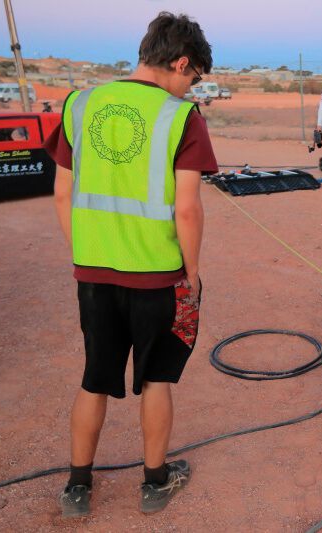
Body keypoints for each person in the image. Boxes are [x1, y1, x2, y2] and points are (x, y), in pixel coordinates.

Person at [43, 12, 218, 517]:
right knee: (156, 379)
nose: (190, 89)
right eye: (193, 78)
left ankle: (78, 487)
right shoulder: (181, 118)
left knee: (94, 377)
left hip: (93, 273)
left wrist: (89, 253)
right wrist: (192, 271)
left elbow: (61, 195)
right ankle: (155, 483)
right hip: (158, 275)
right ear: (181, 62)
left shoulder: (80, 104)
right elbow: (187, 208)